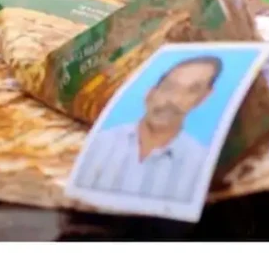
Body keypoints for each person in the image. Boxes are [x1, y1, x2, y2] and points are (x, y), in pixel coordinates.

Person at [74, 55, 222, 203]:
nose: (173, 100)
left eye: (191, 91)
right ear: (150, 93)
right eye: (169, 87)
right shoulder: (100, 144)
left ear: (203, 98)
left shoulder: (200, 166)